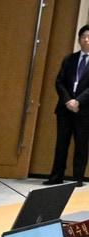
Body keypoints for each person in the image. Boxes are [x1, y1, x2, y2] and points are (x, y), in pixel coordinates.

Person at [47, 26, 89, 186]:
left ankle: (78, 178)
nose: (86, 39)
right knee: (61, 143)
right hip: (65, 109)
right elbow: (59, 82)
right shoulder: (69, 59)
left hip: (84, 110)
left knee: (81, 144)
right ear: (79, 39)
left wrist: (78, 101)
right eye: (83, 36)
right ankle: (56, 176)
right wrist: (68, 101)